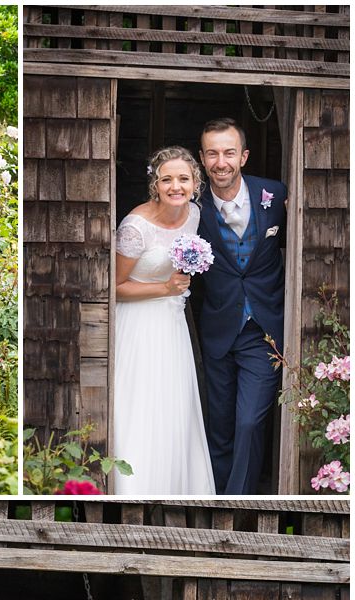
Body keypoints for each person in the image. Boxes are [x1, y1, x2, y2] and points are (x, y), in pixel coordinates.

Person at [113, 145, 216, 494]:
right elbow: (114, 287)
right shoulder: (135, 227)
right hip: (138, 323)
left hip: (172, 325)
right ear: (155, 185)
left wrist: (175, 289)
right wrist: (165, 287)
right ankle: (133, 487)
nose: (176, 186)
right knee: (142, 402)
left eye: (183, 179)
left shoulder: (195, 215)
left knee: (175, 403)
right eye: (167, 179)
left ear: (195, 182)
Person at [196, 118, 287, 494]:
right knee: (219, 425)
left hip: (263, 331)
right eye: (213, 153)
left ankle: (239, 501)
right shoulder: (190, 204)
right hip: (217, 329)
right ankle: (215, 494)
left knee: (249, 421)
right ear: (202, 159)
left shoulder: (275, 194)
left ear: (243, 156)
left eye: (229, 152)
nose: (221, 162)